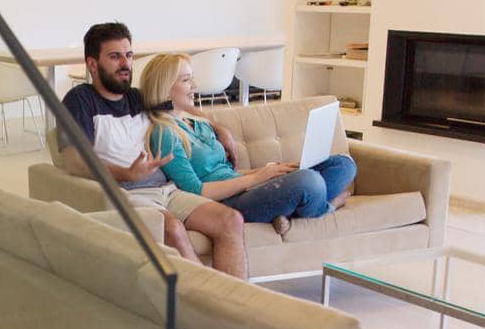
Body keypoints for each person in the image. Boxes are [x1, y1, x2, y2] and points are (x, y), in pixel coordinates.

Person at [60, 20, 249, 278]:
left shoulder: (138, 98)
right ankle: (209, 304)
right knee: (171, 229)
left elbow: (181, 105)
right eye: (115, 57)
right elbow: (73, 161)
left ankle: (237, 305)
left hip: (167, 190)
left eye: (128, 55)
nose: (125, 64)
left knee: (230, 220)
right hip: (126, 193)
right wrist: (125, 174)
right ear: (92, 64)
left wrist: (219, 128)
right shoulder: (80, 100)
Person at [140, 53, 356, 235]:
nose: (195, 85)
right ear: (166, 88)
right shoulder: (164, 132)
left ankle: (290, 212)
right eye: (187, 80)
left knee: (343, 164)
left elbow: (226, 172)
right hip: (228, 203)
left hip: (247, 188)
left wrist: (266, 171)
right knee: (309, 181)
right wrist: (256, 178)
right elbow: (196, 191)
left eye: (192, 78)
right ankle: (326, 208)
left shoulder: (198, 122)